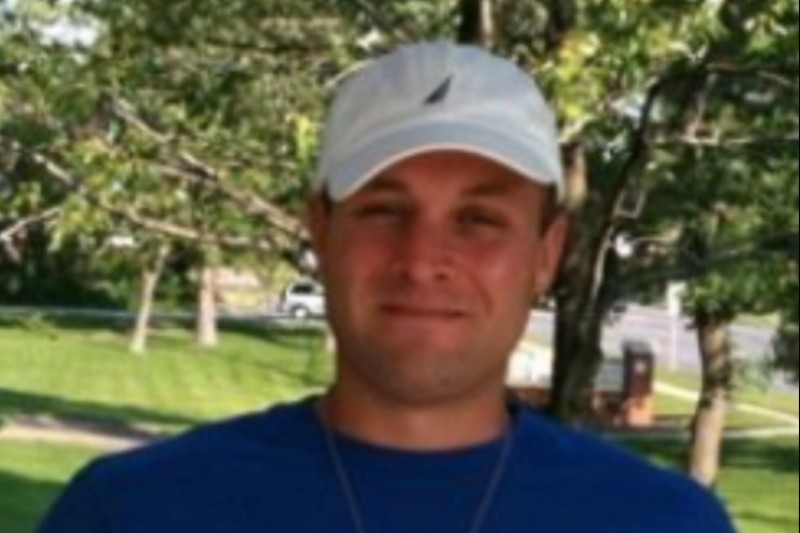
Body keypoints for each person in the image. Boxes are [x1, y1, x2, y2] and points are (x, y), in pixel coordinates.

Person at [37, 41, 735, 533]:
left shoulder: (663, 522)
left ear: (545, 253)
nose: (423, 258)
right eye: (384, 210)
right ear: (321, 230)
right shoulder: (133, 512)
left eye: (479, 219)